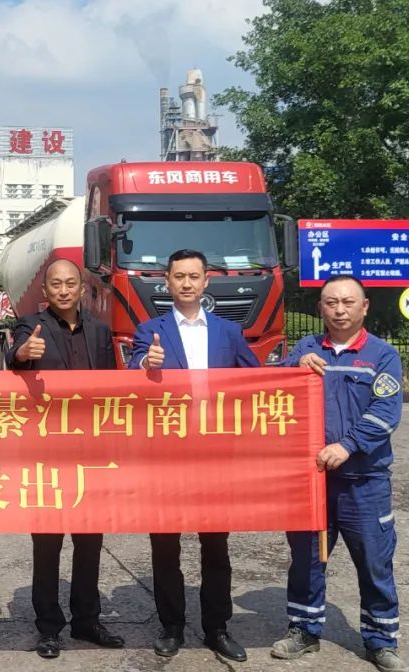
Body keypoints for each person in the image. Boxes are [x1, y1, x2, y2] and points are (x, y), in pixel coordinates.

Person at [270, 275, 406, 672]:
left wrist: (347, 445)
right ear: (320, 308)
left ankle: (380, 640)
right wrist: (293, 366)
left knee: (375, 561)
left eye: (348, 302)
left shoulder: (382, 355)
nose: (340, 310)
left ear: (365, 307)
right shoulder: (307, 348)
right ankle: (303, 629)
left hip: (364, 481)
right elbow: (272, 385)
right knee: (307, 559)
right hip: (312, 480)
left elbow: (386, 413)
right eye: (331, 302)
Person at [129, 249, 257, 662]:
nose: (186, 283)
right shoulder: (149, 330)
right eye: (179, 276)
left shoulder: (228, 332)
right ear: (167, 281)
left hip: (215, 454)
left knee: (215, 545)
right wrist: (145, 364)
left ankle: (217, 627)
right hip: (166, 454)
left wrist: (299, 365)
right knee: (165, 545)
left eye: (194, 276)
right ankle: (171, 626)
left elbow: (259, 379)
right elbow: (127, 381)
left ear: (206, 281)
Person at [7, 259, 124, 659]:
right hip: (48, 455)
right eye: (55, 284)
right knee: (48, 543)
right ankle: (49, 627)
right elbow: (15, 357)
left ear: (81, 288)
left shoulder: (99, 330)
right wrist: (23, 353)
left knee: (90, 541)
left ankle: (87, 620)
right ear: (45, 291)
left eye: (70, 283)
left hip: (91, 453)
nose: (62, 290)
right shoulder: (31, 326)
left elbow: (112, 388)